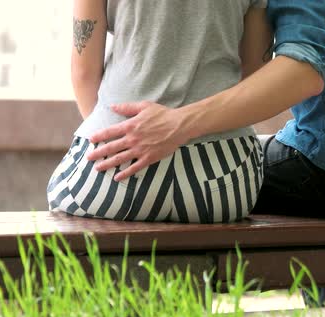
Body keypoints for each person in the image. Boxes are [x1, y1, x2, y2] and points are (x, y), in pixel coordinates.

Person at [86, 0, 325, 305]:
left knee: (203, 172)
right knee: (260, 161)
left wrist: (178, 123)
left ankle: (164, 312)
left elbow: (304, 69)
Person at [47, 0, 272, 223]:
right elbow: (255, 74)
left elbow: (84, 73)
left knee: (60, 201)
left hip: (115, 170)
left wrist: (120, 135)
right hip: (226, 177)